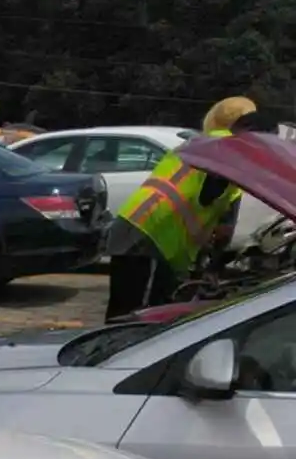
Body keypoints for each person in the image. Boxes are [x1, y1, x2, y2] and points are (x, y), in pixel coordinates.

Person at [104, 97, 272, 320]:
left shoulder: (205, 141)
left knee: (130, 311)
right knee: (140, 317)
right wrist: (214, 266)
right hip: (151, 234)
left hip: (140, 227)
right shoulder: (231, 150)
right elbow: (217, 215)